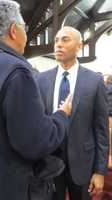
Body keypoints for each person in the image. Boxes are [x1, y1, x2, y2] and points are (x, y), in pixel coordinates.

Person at [0, 1, 72, 200]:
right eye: (25, 28)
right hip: (7, 185)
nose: (26, 35)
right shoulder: (16, 70)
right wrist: (62, 116)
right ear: (13, 30)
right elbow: (35, 142)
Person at [37, 26, 109, 200]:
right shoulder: (41, 79)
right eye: (56, 41)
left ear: (79, 46)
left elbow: (101, 130)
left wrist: (99, 171)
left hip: (83, 162)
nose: (58, 45)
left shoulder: (94, 81)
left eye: (65, 39)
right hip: (50, 161)